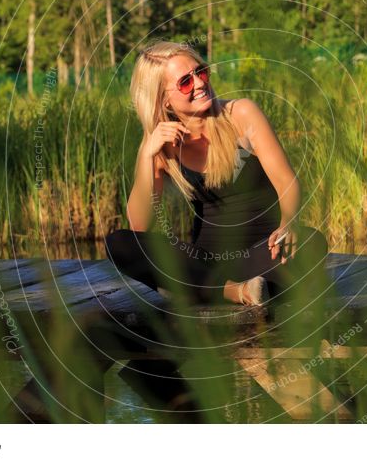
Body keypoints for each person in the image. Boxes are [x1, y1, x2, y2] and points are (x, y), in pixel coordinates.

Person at [104, 40, 330, 308]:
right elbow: (140, 226)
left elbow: (286, 181)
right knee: (119, 243)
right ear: (163, 98)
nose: (200, 83)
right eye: (185, 82)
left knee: (311, 242)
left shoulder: (240, 114)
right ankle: (234, 292)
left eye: (201, 72)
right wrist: (146, 156)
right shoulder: (161, 143)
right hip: (205, 260)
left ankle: (195, 289)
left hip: (261, 254)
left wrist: (289, 223)